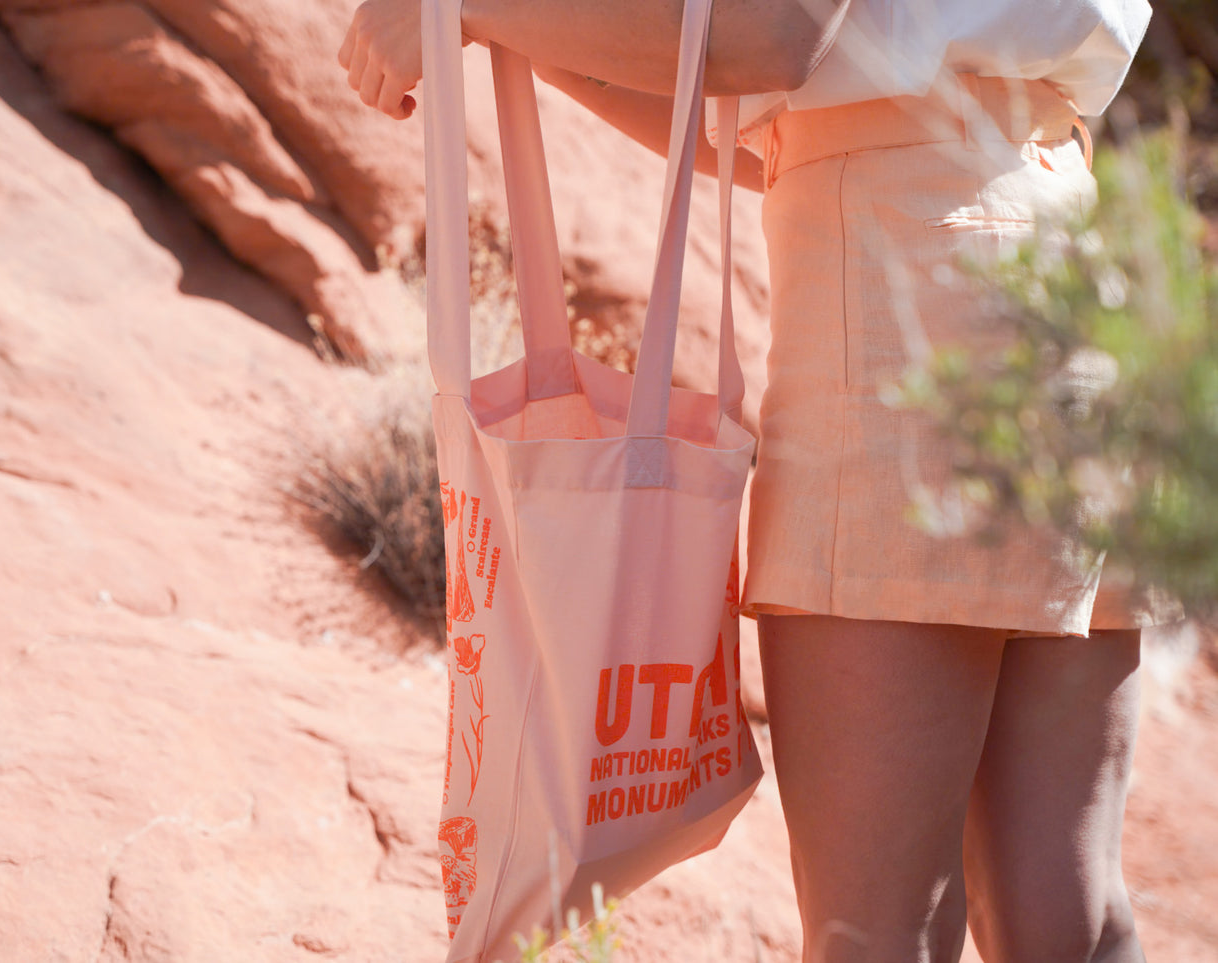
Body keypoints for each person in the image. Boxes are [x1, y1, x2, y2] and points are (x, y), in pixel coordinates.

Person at [339, 2, 1166, 960]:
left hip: (907, 300)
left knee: (877, 926)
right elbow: (763, 122)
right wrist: (519, 34)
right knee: (1066, 913)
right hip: (1070, 272)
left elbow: (773, 37)